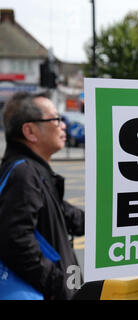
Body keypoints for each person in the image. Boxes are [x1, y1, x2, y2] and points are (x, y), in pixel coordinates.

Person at [0, 92, 85, 300]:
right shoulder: (24, 173)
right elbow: (15, 241)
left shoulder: (33, 171)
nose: (63, 125)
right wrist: (59, 285)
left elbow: (62, 212)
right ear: (30, 131)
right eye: (56, 119)